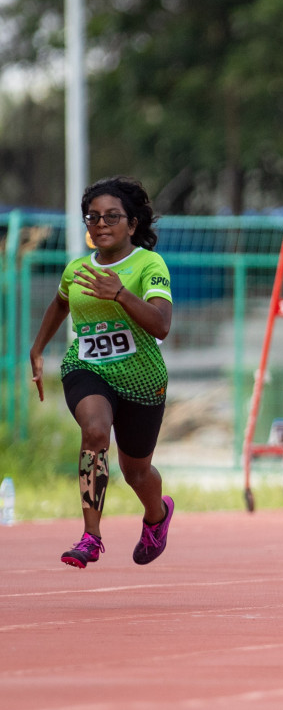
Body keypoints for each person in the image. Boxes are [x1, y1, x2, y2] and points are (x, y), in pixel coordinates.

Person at [28, 176, 175, 568]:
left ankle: (157, 516)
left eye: (112, 216)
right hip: (87, 367)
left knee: (137, 472)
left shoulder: (148, 264)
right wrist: (38, 348)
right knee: (94, 431)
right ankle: (91, 536)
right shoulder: (77, 269)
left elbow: (161, 325)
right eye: (92, 217)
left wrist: (122, 294)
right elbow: (60, 304)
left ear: (132, 223)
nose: (101, 224)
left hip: (142, 379)